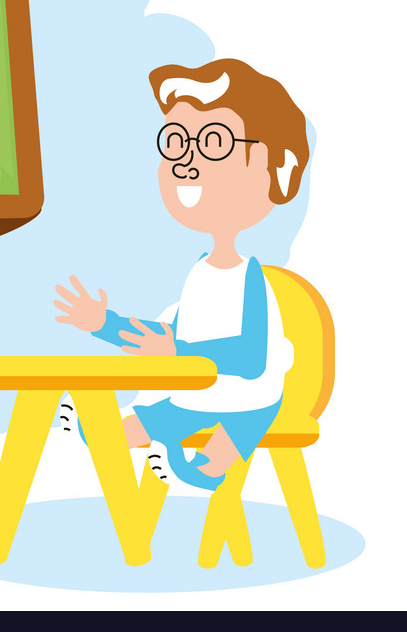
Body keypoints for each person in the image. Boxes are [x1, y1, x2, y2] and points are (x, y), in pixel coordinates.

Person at [54, 59, 309, 490]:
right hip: (194, 392)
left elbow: (250, 357)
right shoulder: (198, 274)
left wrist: (177, 349)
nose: (188, 162)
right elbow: (163, 335)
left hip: (250, 399)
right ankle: (92, 430)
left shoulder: (250, 279)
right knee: (138, 425)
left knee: (230, 438)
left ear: (269, 166)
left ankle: (200, 474)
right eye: (176, 142)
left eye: (213, 142)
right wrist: (106, 324)